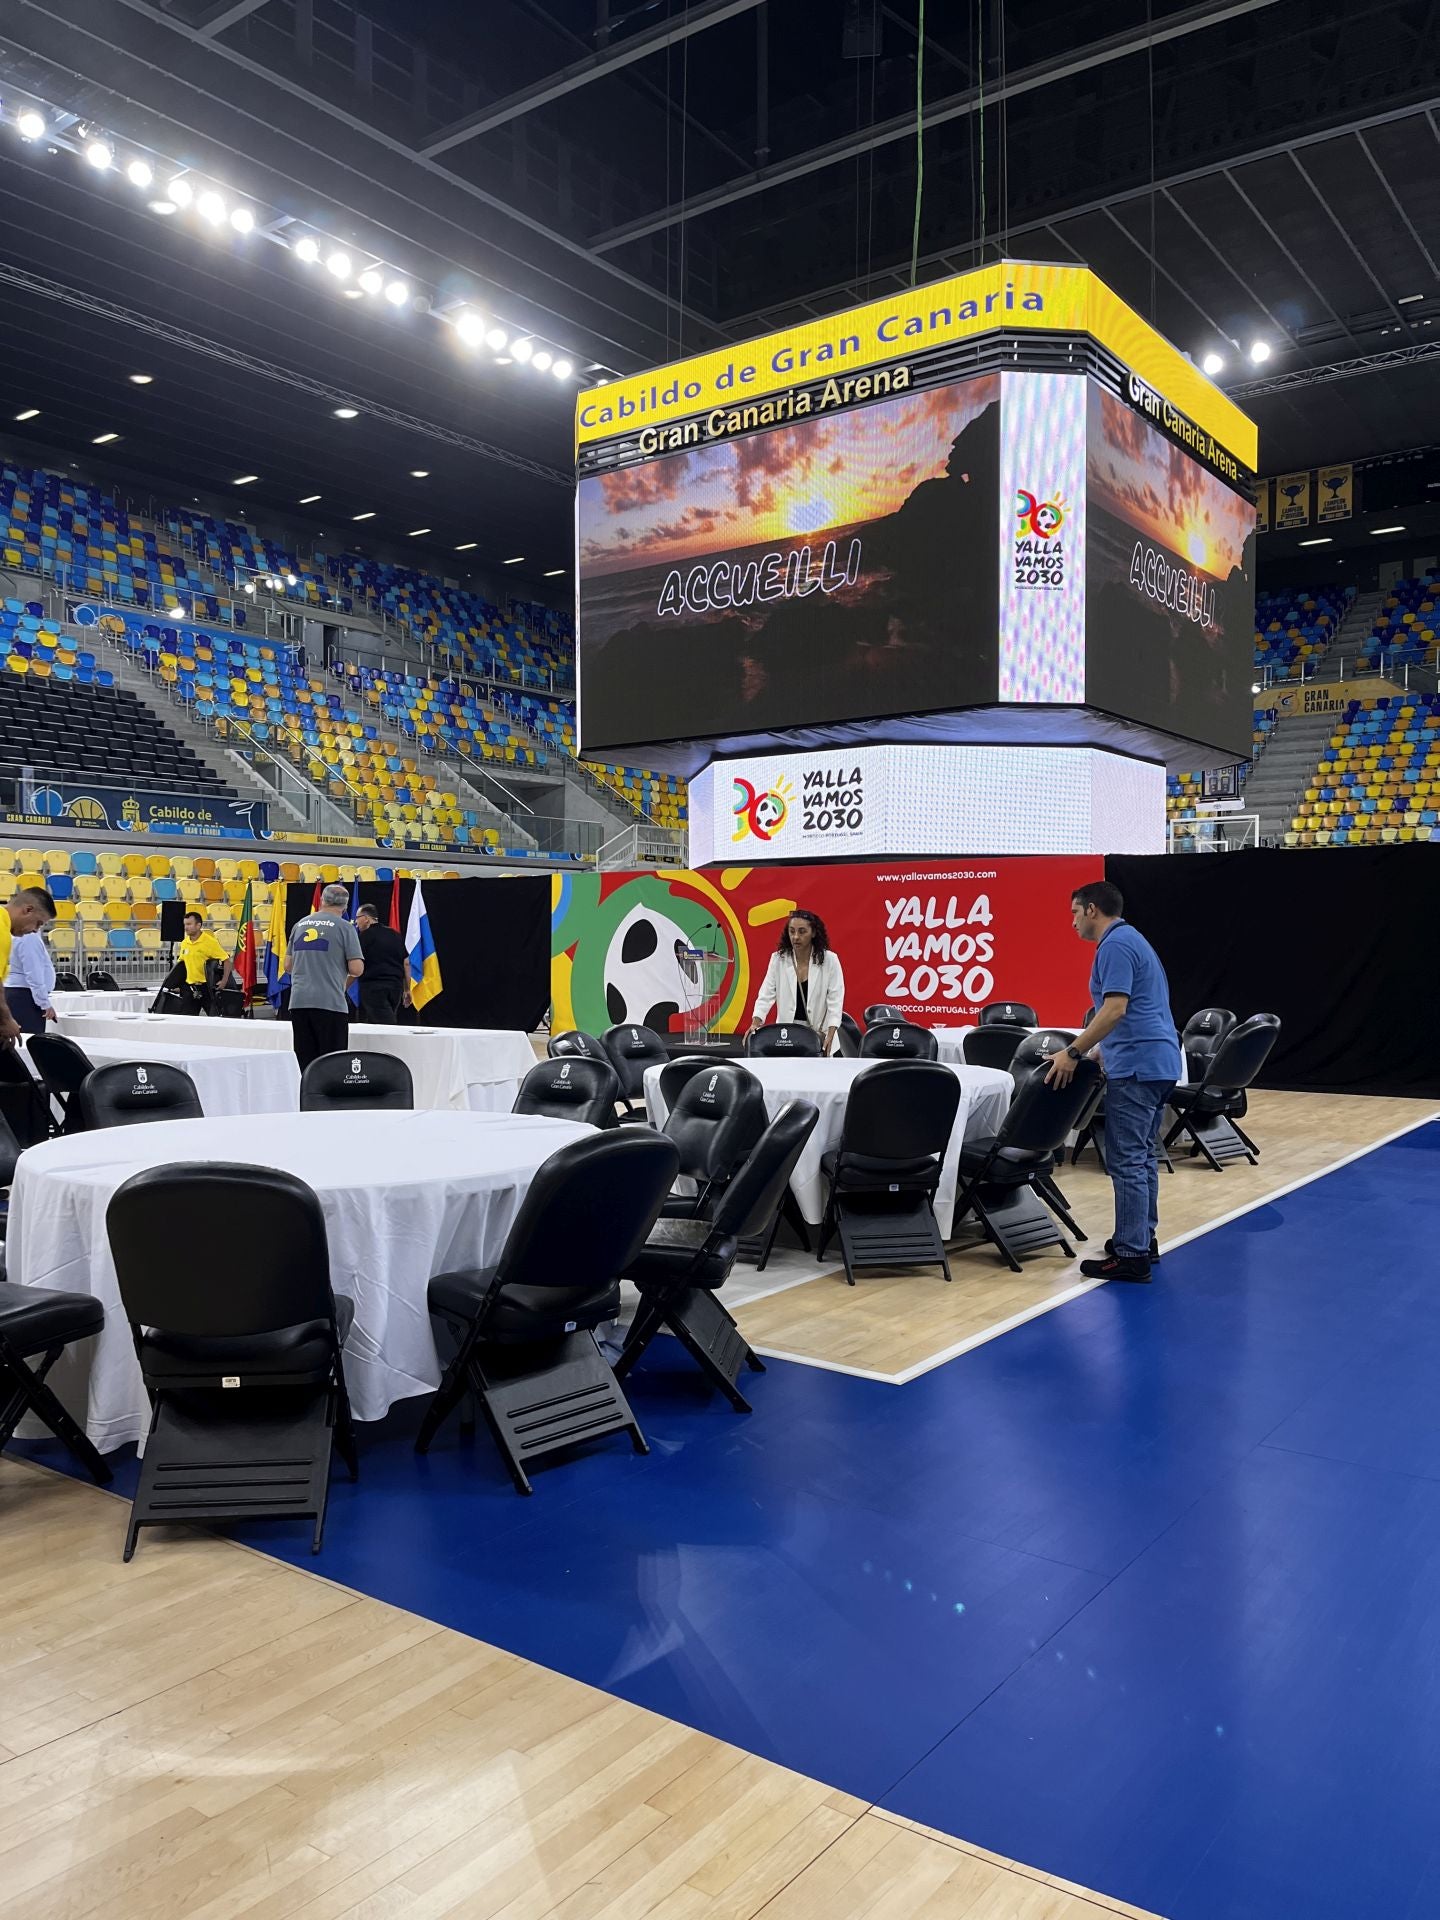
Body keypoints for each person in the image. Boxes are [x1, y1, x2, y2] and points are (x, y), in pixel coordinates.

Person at [1044, 880, 1181, 1284]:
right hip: (1156, 1062)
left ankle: (1131, 1255)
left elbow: (1116, 1008)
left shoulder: (1116, 946)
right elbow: (1139, 1007)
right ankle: (1140, 1238)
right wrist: (1102, 1049)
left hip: (1139, 1067)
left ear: (1091, 910)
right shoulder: (1133, 940)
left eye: (1073, 912)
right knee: (1141, 1157)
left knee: (1125, 1160)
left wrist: (1073, 1052)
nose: (1071, 922)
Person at [286, 882, 364, 1072]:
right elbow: (357, 968)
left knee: (305, 1062)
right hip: (330, 1002)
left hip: (299, 1002)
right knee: (332, 1062)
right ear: (345, 906)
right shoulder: (345, 928)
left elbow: (288, 966)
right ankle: (328, 1101)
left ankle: (305, 1098)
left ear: (322, 901)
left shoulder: (300, 924)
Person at [748, 909, 845, 1055]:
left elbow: (835, 1001)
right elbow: (765, 995)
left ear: (813, 933)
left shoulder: (829, 960)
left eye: (802, 932)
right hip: (787, 1034)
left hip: (819, 1034)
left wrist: (830, 1033)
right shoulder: (779, 959)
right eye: (791, 931)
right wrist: (756, 1023)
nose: (795, 937)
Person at [0, 886, 58, 1046]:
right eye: (38, 923)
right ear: (27, 910)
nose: (35, 930)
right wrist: (6, 1020)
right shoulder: (2, 931)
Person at [354, 902, 408, 1024]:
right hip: (395, 988)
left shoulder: (364, 937)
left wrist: (343, 987)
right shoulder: (395, 935)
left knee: (385, 1026)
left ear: (366, 918)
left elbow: (356, 964)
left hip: (374, 988)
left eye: (357, 918)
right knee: (375, 1024)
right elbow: (406, 963)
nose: (356, 922)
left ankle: (394, 1043)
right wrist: (407, 989)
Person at [6, 927, 58, 1035]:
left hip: (16, 992)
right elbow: (34, 973)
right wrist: (44, 1003)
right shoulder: (28, 937)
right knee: (28, 1041)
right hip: (25, 997)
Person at [176, 910, 230, 1013]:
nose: (186, 927)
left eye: (189, 924)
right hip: (189, 988)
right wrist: (178, 984)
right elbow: (181, 965)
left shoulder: (210, 942)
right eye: (185, 924)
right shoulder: (184, 943)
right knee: (188, 1020)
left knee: (214, 1019)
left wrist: (224, 981)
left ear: (198, 925)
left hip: (207, 988)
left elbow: (226, 960)